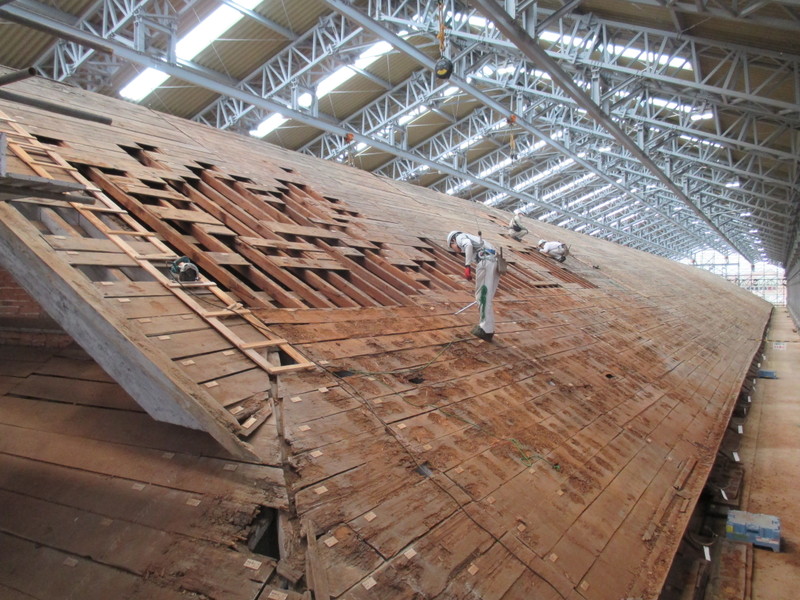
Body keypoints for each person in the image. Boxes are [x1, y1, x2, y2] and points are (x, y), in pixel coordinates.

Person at [447, 231, 499, 342]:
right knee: (487, 297)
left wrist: (467, 266)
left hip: (486, 261)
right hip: (495, 261)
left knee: (482, 296)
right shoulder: (476, 239)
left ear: (452, 241)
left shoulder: (459, 237)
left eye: (453, 247)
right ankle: (489, 328)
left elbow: (468, 245)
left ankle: (485, 329)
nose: (457, 250)